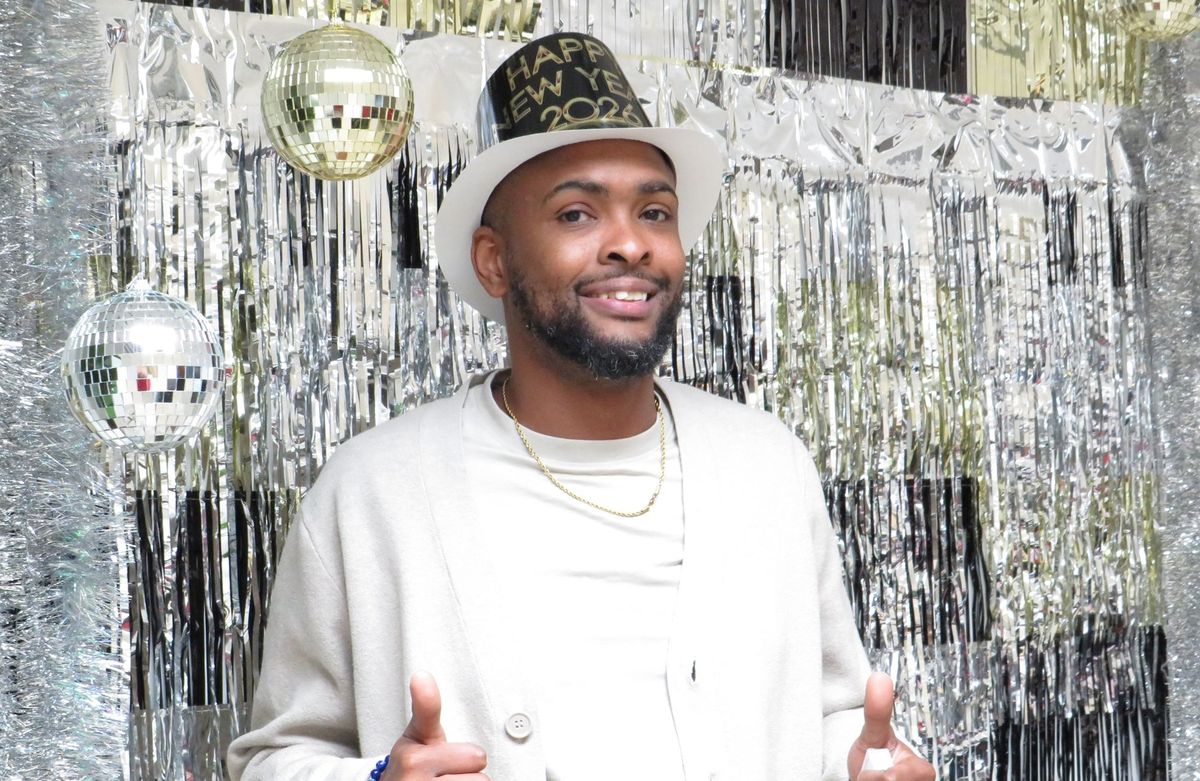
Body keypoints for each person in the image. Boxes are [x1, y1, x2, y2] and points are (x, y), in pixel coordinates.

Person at [227, 32, 937, 781]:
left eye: (655, 212)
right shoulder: (371, 492)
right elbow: (275, 758)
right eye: (576, 214)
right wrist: (377, 779)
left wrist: (864, 764)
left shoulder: (768, 467)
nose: (631, 244)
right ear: (494, 261)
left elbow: (826, 716)